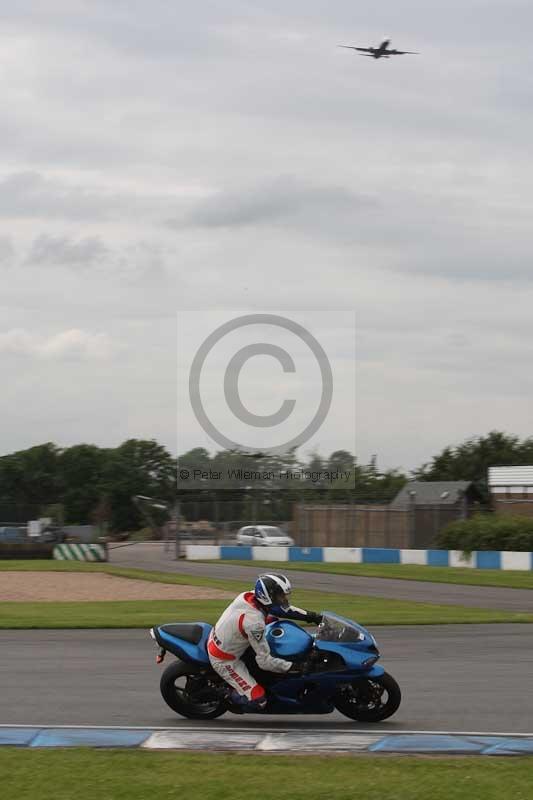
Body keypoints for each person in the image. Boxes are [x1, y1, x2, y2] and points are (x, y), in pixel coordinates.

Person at [207, 573, 322, 712]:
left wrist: (314, 617)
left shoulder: (249, 596)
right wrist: (296, 666)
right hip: (225, 659)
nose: (284, 599)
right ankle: (223, 692)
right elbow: (265, 662)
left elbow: (283, 611)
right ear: (268, 596)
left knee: (273, 620)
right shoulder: (254, 622)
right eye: (281, 596)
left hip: (231, 637)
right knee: (258, 701)